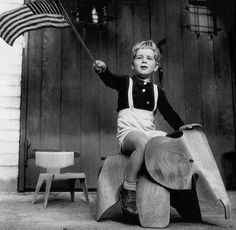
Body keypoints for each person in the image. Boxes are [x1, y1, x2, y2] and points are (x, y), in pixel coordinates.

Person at [93, 40, 197, 215]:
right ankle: (128, 188)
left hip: (150, 133)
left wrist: (181, 126)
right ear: (132, 65)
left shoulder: (158, 91)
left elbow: (169, 113)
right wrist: (103, 70)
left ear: (155, 66)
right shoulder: (125, 83)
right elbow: (110, 80)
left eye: (149, 58)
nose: (143, 61)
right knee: (141, 142)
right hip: (129, 133)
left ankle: (181, 194)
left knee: (176, 147)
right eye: (139, 57)